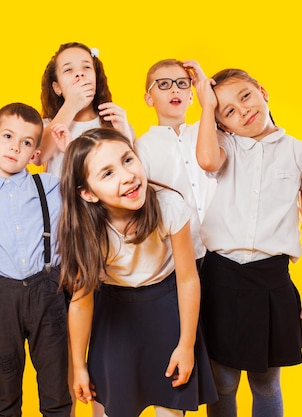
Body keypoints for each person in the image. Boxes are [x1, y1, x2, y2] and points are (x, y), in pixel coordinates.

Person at [193, 68, 302, 417]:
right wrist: (206, 105)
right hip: (221, 276)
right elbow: (206, 161)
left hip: (271, 280)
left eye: (245, 97)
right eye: (228, 112)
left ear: (262, 91)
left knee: (267, 382)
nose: (243, 111)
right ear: (221, 124)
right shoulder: (222, 146)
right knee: (222, 380)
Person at [57, 127, 217, 417]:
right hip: (116, 315)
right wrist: (78, 366)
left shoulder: (169, 205)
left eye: (128, 160)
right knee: (110, 408)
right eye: (107, 173)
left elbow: (187, 278)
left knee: (170, 407)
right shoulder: (85, 229)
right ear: (88, 194)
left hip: (166, 308)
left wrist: (186, 344)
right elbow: (81, 302)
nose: (127, 175)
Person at [0, 103, 71, 417]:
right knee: (4, 389)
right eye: (8, 136)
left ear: (36, 152)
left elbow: (88, 195)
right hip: (0, 297)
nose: (15, 147)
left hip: (47, 292)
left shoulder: (50, 186)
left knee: (55, 388)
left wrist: (67, 152)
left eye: (26, 142)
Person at [135, 59, 217, 269]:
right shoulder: (141, 147)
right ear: (148, 98)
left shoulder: (208, 131)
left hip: (221, 250)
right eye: (164, 84)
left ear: (191, 95)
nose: (174, 89)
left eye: (182, 83)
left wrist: (203, 83)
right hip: (175, 256)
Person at [35, 41, 134, 176]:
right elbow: (39, 156)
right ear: (57, 87)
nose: (80, 74)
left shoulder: (116, 123)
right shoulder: (48, 126)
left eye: (86, 67)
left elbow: (133, 172)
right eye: (68, 70)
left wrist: (125, 135)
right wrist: (71, 104)